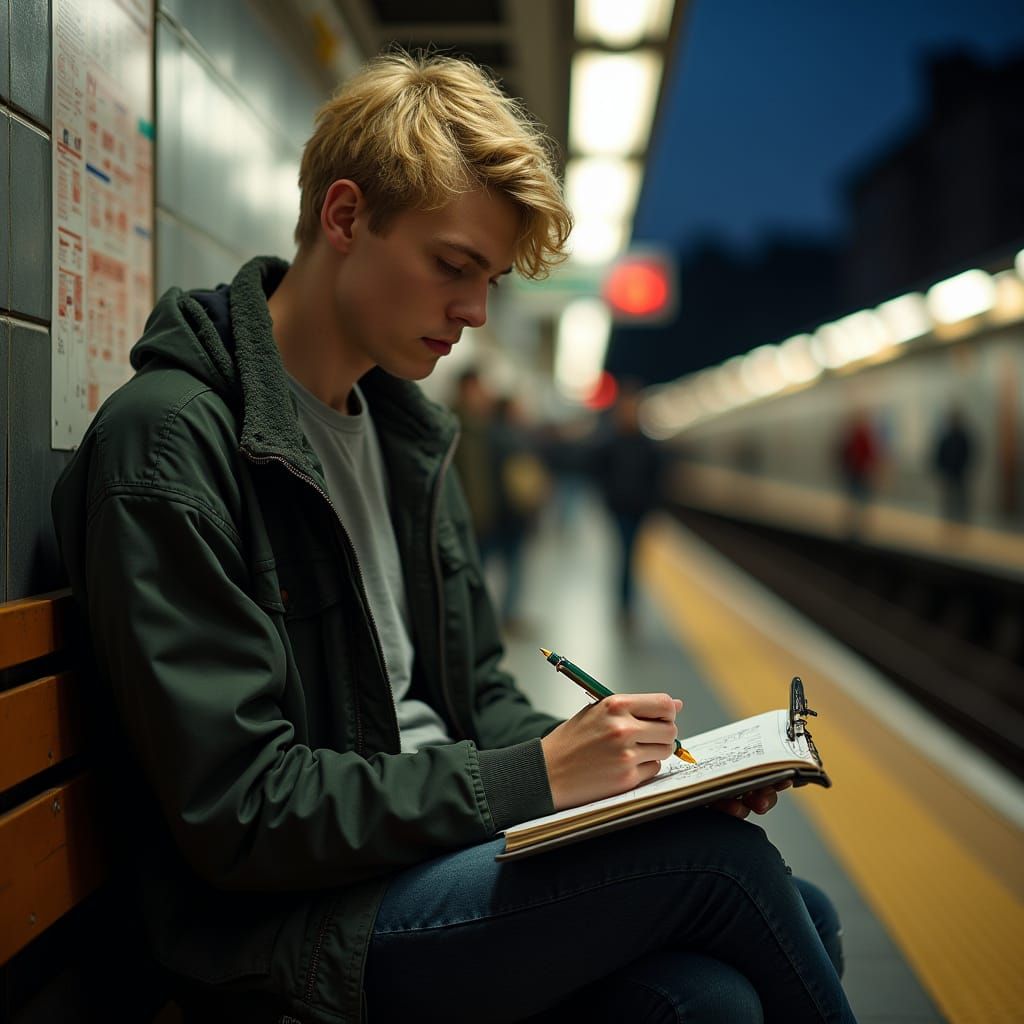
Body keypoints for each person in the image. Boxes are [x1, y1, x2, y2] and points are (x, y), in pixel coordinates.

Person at [51, 52, 856, 1023]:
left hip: (421, 859)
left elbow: (477, 691)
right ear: (344, 217)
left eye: (490, 280)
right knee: (727, 871)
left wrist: (633, 781)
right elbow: (244, 810)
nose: (474, 312)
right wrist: (535, 777)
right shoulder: (173, 443)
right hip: (288, 923)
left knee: (720, 986)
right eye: (452, 266)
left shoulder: (408, 441)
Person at [590, 384, 667, 629]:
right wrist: (608, 498)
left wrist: (652, 505)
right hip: (620, 508)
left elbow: (657, 477)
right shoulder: (611, 443)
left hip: (639, 509)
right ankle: (624, 606)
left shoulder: (647, 445)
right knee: (625, 556)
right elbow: (599, 472)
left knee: (631, 558)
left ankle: (626, 605)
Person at [931, 406, 975, 522]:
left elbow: (969, 453)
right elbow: (940, 454)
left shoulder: (963, 437)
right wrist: (940, 468)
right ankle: (949, 519)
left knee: (961, 499)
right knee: (949, 499)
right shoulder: (947, 437)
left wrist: (965, 467)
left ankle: (962, 519)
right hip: (949, 472)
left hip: (959, 473)